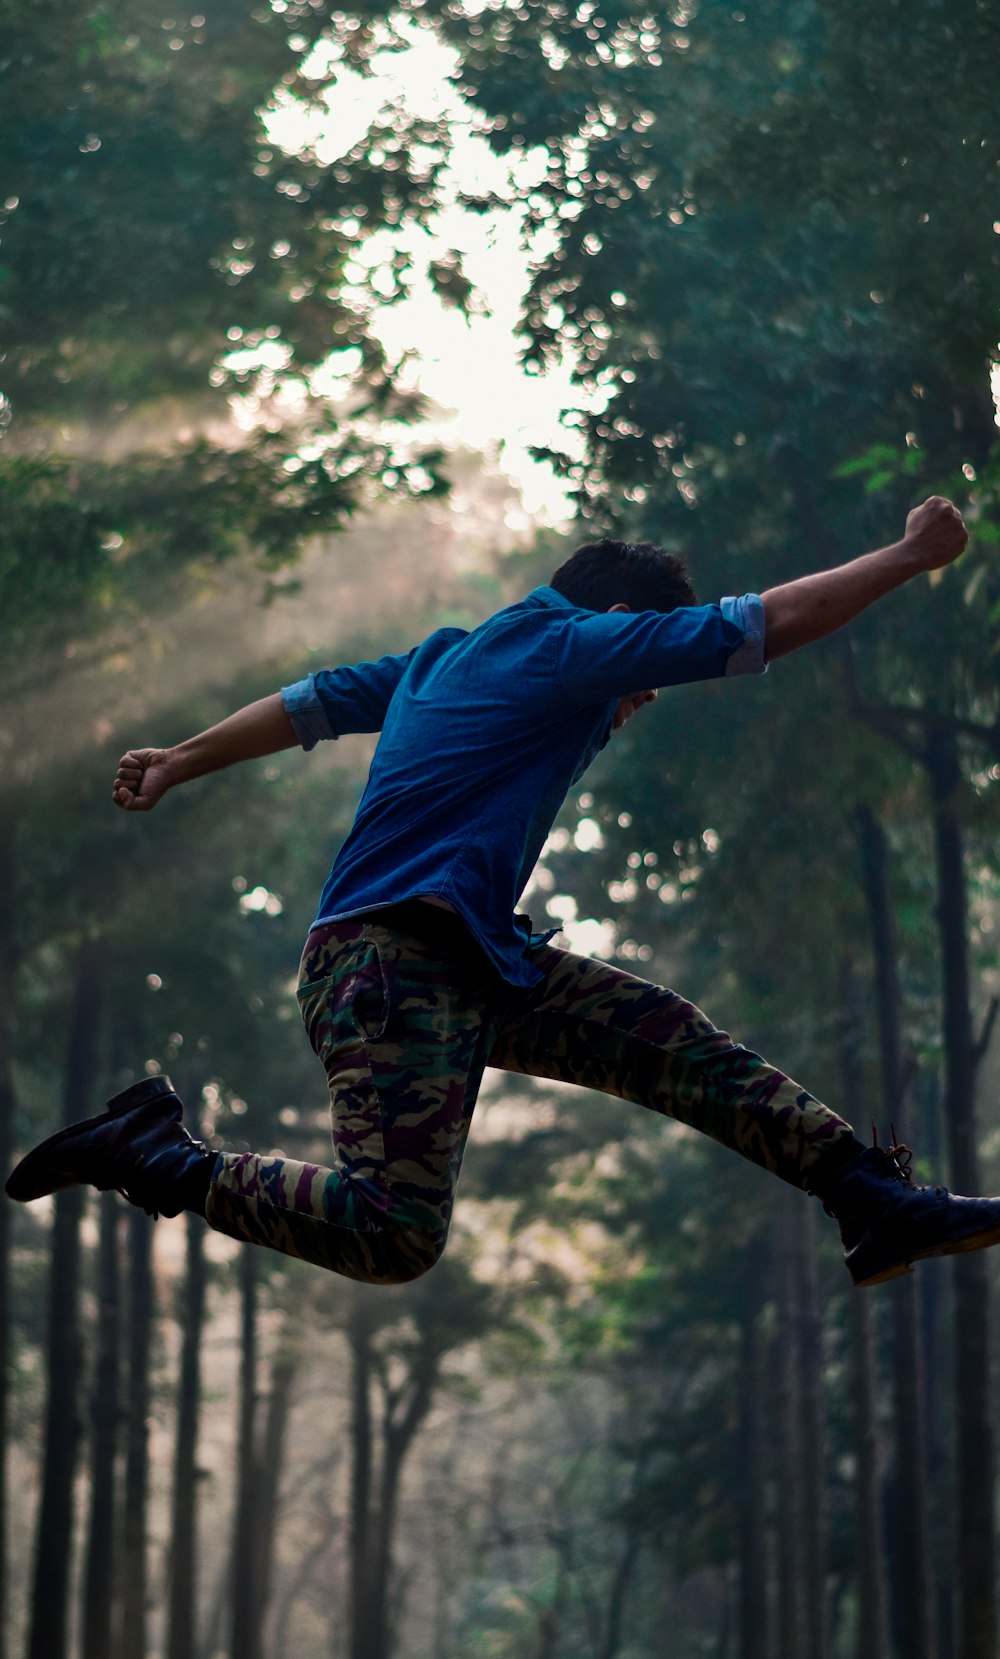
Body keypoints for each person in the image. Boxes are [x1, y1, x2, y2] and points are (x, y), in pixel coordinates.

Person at [9, 495, 1000, 1288]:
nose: (641, 698)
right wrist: (909, 555)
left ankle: (868, 1195)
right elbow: (769, 624)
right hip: (390, 966)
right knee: (391, 1235)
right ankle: (155, 1155)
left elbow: (308, 705)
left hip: (463, 956)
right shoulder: (572, 646)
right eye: (642, 672)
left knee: (663, 1038)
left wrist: (181, 759)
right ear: (621, 626)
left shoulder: (448, 655)